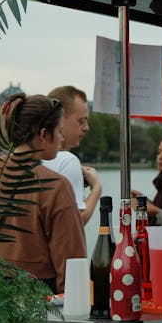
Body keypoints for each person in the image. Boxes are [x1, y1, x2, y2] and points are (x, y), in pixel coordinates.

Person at [0, 93, 86, 292]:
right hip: (37, 305)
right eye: (58, 131)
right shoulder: (55, 186)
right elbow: (72, 265)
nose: (61, 138)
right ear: (42, 135)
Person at [44, 85, 102, 226]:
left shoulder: (32, 157)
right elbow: (75, 223)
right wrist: (97, 189)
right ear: (61, 119)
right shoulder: (67, 160)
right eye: (81, 121)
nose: (86, 127)